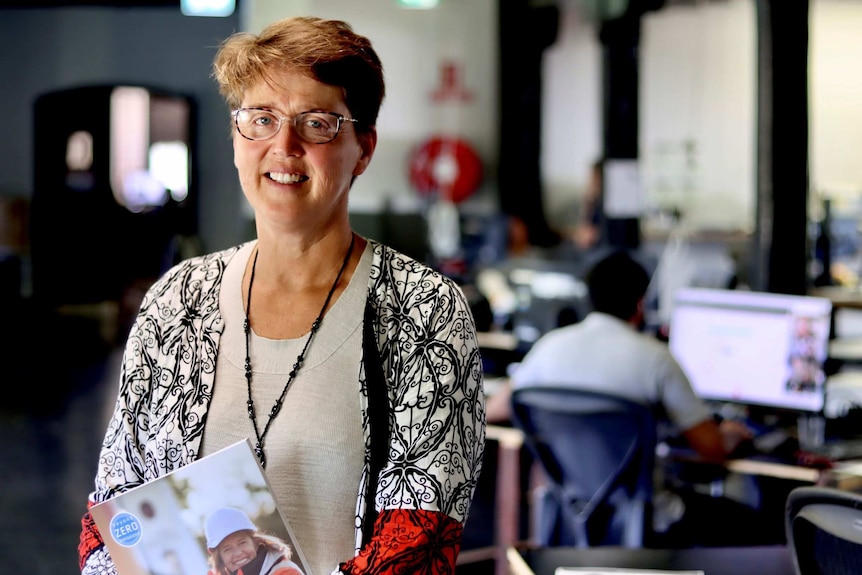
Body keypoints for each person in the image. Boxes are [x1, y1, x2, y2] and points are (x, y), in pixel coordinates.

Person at [78, 16, 485, 575]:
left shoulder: (422, 309)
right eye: (261, 119)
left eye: (317, 123)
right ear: (236, 136)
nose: (283, 146)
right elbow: (113, 514)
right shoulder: (177, 301)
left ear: (361, 148)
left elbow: (419, 541)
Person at [485, 249, 769, 547]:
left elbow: (493, 411)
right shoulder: (655, 359)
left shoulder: (548, 348)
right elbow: (712, 450)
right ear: (640, 303)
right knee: (759, 526)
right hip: (649, 518)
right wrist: (731, 435)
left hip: (573, 510)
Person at [205, 507, 304, 575]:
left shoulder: (284, 572)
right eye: (227, 549)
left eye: (242, 543)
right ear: (219, 557)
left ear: (255, 542)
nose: (238, 553)